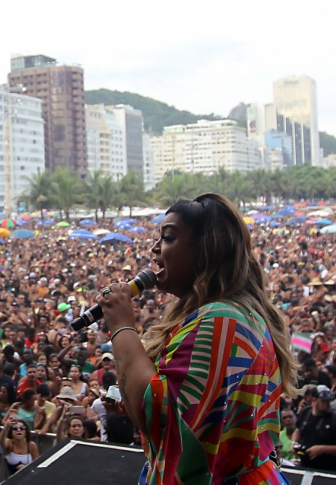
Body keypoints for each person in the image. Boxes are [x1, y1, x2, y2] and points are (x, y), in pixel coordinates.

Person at [97, 194, 298, 485]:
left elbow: (158, 415)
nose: (154, 249)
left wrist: (122, 326)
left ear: (207, 250)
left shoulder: (221, 319)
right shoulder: (228, 314)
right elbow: (195, 415)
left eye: (168, 237)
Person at [293, 386, 336, 473]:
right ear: (314, 401)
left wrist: (322, 449)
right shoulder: (306, 412)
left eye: (329, 401)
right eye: (324, 401)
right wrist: (294, 442)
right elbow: (298, 430)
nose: (328, 405)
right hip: (305, 466)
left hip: (329, 471)